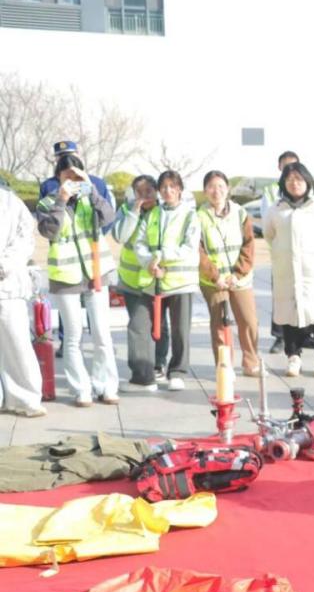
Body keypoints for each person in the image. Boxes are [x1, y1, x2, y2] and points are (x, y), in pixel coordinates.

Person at [35, 154, 119, 407]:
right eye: (67, 175)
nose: (72, 180)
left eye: (76, 175)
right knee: (73, 336)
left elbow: (108, 218)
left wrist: (91, 190)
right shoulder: (47, 202)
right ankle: (81, 389)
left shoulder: (90, 197)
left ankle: (106, 386)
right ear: (58, 177)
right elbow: (49, 230)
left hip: (96, 272)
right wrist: (61, 200)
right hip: (66, 276)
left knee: (102, 334)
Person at [264, 162, 314, 377]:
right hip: (287, 273)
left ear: (308, 181)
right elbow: (269, 236)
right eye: (290, 179)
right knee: (290, 317)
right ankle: (293, 357)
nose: (294, 183)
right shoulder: (276, 210)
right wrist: (282, 254)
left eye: (299, 179)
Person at [134, 170, 200, 392]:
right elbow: (140, 242)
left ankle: (178, 371)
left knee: (181, 330)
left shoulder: (190, 215)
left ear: (180, 189)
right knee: (157, 328)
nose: (168, 190)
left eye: (172, 186)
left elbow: (189, 247)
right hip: (156, 281)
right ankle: (157, 366)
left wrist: (160, 257)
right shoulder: (152, 214)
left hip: (181, 281)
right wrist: (149, 262)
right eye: (164, 187)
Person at [197, 170, 260, 375]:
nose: (216, 191)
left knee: (248, 320)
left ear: (228, 189)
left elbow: (249, 245)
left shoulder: (240, 213)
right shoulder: (198, 217)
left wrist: (238, 273)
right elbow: (198, 251)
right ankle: (224, 366)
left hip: (239, 278)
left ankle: (251, 362)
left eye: (221, 186)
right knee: (221, 324)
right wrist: (215, 276)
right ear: (205, 191)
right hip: (214, 282)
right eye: (211, 187)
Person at [111, 174, 169, 391]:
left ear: (156, 191)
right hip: (132, 280)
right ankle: (141, 374)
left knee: (159, 323)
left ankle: (158, 365)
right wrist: (134, 212)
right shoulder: (126, 210)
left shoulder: (163, 211)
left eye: (149, 191)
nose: (144, 196)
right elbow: (121, 236)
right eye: (140, 192)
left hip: (157, 278)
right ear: (133, 193)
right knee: (137, 326)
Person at [0, 186, 46, 417]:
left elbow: (25, 239)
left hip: (7, 286)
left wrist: (4, 265)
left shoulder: (10, 202)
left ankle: (25, 398)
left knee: (16, 343)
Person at [262, 150, 299, 355]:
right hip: (282, 254)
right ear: (279, 167)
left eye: (294, 165)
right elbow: (268, 224)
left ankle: (304, 335)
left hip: (304, 254)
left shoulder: (307, 188)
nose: (290, 169)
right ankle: (280, 336)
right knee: (281, 295)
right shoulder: (271, 191)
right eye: (286, 165)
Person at [38, 141, 115, 208]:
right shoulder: (48, 186)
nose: (66, 159)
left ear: (78, 155)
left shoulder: (97, 183)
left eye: (70, 154)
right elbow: (43, 214)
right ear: (56, 159)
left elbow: (108, 215)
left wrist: (90, 189)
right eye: (61, 156)